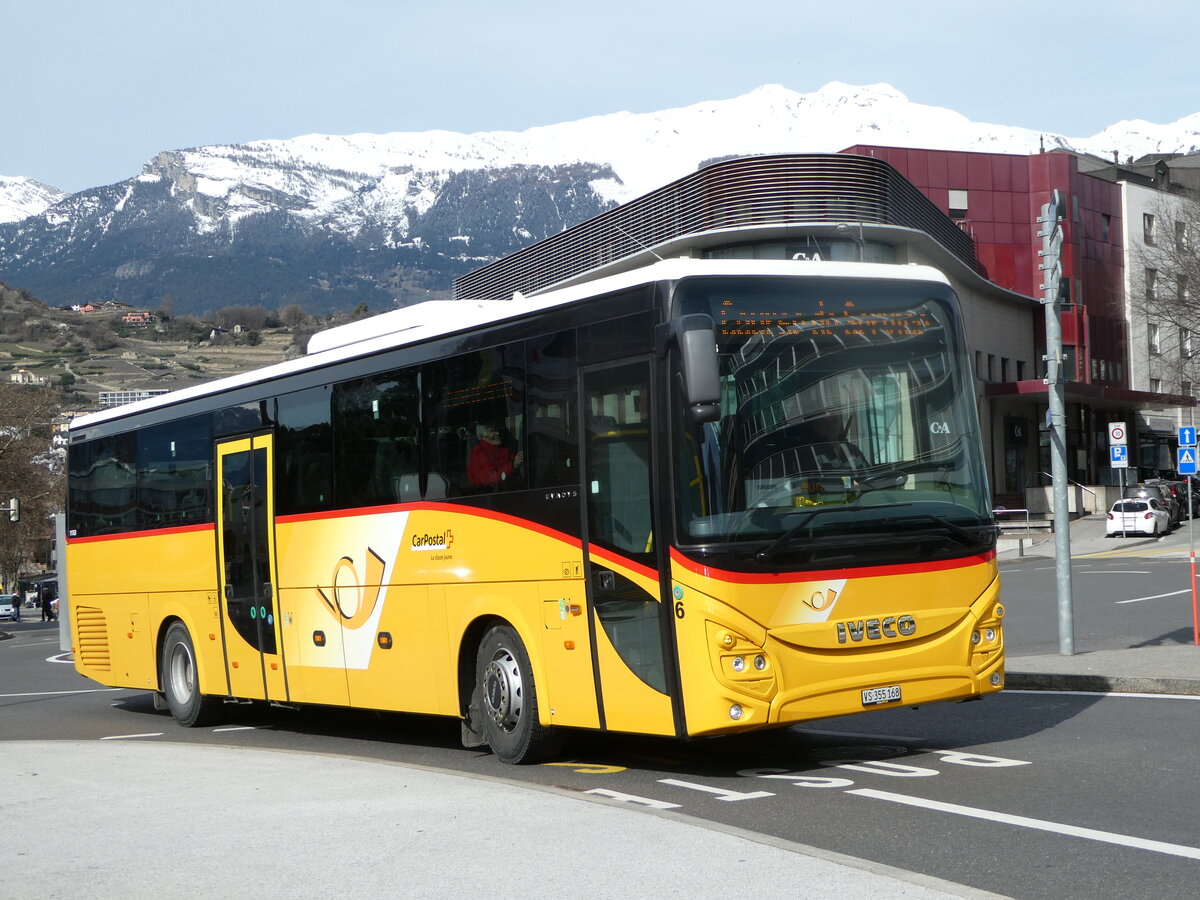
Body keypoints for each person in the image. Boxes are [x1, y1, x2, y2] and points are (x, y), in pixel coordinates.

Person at [467, 422, 523, 488]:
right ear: (481, 436)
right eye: (492, 431)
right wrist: (513, 466)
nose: (497, 433)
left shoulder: (503, 447)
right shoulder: (479, 454)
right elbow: (490, 478)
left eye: (497, 430)